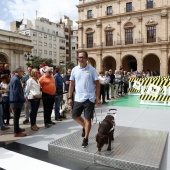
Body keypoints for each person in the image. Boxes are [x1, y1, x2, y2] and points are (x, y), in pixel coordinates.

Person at [68, 50, 100, 148]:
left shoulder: (92, 70)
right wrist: (70, 97)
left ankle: (85, 138)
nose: (80, 59)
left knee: (88, 119)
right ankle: (84, 127)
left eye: (82, 57)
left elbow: (97, 84)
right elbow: (71, 84)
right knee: (75, 115)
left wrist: (97, 97)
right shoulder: (74, 70)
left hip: (89, 98)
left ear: (86, 58)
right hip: (78, 97)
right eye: (79, 57)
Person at [10, 66, 26, 137]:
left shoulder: (14, 78)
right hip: (16, 101)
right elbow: (16, 92)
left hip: (14, 100)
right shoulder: (16, 79)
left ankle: (17, 128)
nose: (23, 73)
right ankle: (16, 132)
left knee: (17, 116)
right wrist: (23, 99)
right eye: (22, 71)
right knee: (16, 117)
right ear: (19, 71)